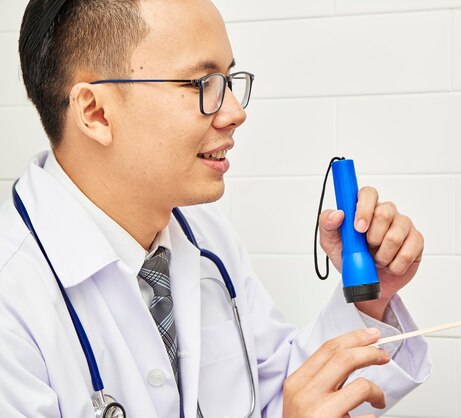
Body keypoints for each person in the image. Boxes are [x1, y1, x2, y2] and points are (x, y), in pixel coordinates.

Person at [0, 0, 431, 417]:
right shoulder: (13, 293)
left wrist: (369, 298)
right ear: (95, 112)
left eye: (228, 80)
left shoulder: (203, 234)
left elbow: (283, 395)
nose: (235, 112)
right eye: (200, 83)